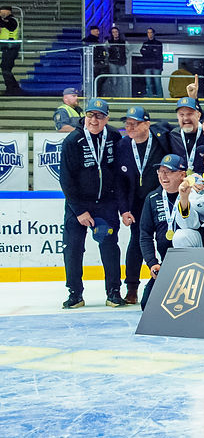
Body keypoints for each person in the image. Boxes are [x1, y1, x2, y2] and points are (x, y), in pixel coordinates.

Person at [58, 98, 129, 309]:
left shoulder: (114, 137)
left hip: (106, 204)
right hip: (78, 206)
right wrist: (79, 210)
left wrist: (121, 206)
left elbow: (119, 174)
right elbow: (66, 179)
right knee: (73, 248)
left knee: (109, 247)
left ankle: (114, 292)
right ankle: (75, 293)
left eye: (99, 116)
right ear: (85, 116)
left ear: (106, 118)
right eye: (90, 115)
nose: (94, 120)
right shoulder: (73, 141)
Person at [117, 106, 171, 304]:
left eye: (135, 123)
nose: (129, 127)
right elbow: (119, 182)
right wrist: (124, 209)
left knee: (167, 239)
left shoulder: (161, 139)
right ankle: (131, 288)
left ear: (147, 124)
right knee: (137, 242)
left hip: (161, 199)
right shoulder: (123, 145)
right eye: (127, 123)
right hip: (137, 204)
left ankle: (169, 280)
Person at [137, 154, 188, 309]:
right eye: (160, 171)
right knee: (147, 306)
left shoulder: (192, 195)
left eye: (169, 172)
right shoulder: (152, 198)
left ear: (182, 174)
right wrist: (152, 263)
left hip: (191, 263)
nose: (163, 176)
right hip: (166, 263)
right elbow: (145, 235)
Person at [0, 5, 22, 95]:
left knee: (5, 68)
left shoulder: (12, 20)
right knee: (6, 68)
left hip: (11, 47)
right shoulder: (6, 20)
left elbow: (7, 25)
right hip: (7, 48)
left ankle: (12, 88)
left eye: (1, 11)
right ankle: (14, 88)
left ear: (7, 11)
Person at [106, 26, 129, 97]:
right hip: (112, 63)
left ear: (118, 33)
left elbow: (130, 50)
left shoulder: (124, 42)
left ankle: (126, 96)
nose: (115, 33)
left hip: (121, 63)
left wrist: (126, 57)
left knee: (125, 81)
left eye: (116, 32)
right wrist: (108, 57)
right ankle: (114, 96)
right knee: (114, 81)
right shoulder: (108, 42)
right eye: (113, 32)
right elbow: (105, 50)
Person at [140, 28, 164, 98]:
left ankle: (160, 98)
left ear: (153, 33)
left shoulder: (158, 43)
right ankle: (150, 97)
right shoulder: (145, 43)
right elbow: (142, 51)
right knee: (148, 83)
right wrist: (152, 50)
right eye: (148, 32)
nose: (149, 34)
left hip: (156, 66)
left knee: (157, 82)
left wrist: (148, 51)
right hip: (147, 65)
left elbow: (158, 53)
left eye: (151, 32)